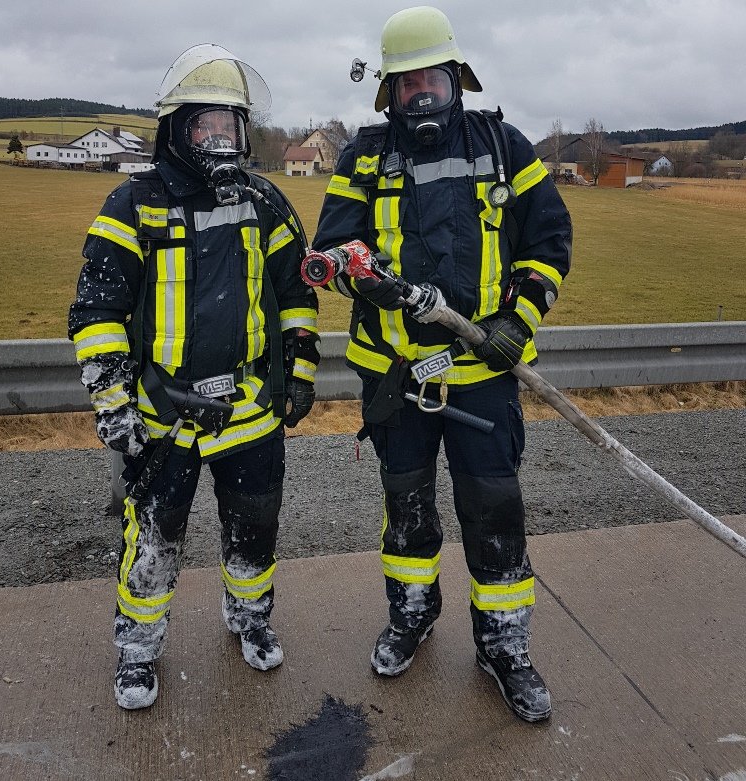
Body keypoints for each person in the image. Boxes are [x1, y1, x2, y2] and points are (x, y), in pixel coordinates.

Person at [312, 7, 572, 722]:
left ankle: (503, 644)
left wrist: (517, 323)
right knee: (407, 510)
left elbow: (549, 240)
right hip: (397, 379)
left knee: (495, 513)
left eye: (433, 81)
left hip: (484, 377)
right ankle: (412, 615)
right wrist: (356, 275)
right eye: (407, 86)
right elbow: (333, 248)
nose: (421, 97)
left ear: (458, 80)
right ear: (388, 92)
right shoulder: (363, 158)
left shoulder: (504, 146)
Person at [69, 44, 319, 710]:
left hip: (250, 411)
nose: (220, 139)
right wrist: (114, 403)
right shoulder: (133, 204)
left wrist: (299, 366)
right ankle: (137, 651)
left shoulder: (264, 201)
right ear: (177, 129)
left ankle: (250, 618)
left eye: (230, 125)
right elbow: (96, 310)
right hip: (164, 418)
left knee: (254, 529)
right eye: (206, 125)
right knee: (151, 541)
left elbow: (297, 288)